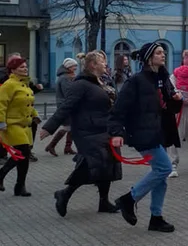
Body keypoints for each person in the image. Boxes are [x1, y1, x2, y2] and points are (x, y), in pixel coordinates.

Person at [109, 42, 182, 233]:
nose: (163, 55)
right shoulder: (136, 81)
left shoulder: (163, 78)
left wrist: (176, 100)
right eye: (158, 53)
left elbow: (168, 107)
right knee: (164, 168)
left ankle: (156, 218)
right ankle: (129, 199)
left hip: (161, 131)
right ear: (149, 58)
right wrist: (117, 133)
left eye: (163, 52)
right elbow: (118, 110)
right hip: (143, 132)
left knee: (161, 176)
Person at [40, 51, 122, 217]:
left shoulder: (103, 82)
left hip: (105, 129)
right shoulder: (80, 84)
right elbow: (66, 106)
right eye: (102, 61)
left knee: (109, 163)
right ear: (92, 65)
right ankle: (65, 193)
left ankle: (103, 201)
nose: (105, 64)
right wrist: (49, 127)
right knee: (94, 163)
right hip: (87, 131)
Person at [0, 55, 37, 196]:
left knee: (23, 157)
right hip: (11, 124)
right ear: (13, 70)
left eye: (26, 66)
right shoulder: (8, 85)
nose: (25, 69)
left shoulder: (24, 84)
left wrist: (35, 114)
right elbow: (1, 104)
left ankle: (19, 187)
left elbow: (27, 102)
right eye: (21, 67)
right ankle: (2, 175)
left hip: (24, 125)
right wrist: (1, 122)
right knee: (22, 153)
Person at [45, 58, 78, 157]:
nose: (75, 68)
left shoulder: (68, 76)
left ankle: (67, 147)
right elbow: (68, 92)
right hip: (65, 105)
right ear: (68, 67)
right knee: (67, 127)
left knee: (72, 127)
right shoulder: (64, 77)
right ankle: (51, 145)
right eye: (73, 66)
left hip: (67, 104)